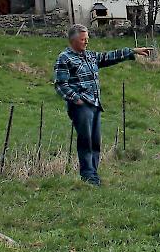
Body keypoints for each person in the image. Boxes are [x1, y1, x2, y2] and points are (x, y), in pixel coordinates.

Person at [53, 24, 152, 186]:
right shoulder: (65, 58)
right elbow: (60, 84)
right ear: (73, 40)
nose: (86, 42)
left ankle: (94, 175)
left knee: (95, 141)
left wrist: (132, 51)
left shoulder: (90, 56)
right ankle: (89, 176)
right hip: (81, 105)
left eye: (87, 39)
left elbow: (108, 57)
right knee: (86, 141)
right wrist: (76, 99)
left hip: (95, 103)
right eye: (83, 39)